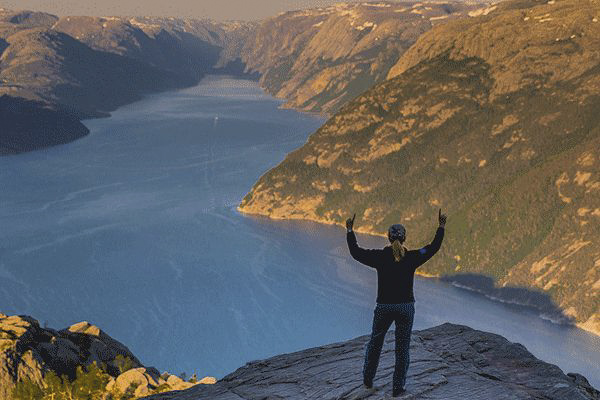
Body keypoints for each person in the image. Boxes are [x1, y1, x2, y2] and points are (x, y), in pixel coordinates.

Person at [346, 209, 446, 397]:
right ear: (405, 238)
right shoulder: (414, 256)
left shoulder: (379, 256)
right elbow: (432, 248)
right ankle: (398, 388)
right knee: (402, 349)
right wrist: (441, 227)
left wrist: (350, 231)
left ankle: (368, 380)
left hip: (384, 307)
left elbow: (356, 252)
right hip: (406, 308)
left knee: (375, 343)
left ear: (388, 237)